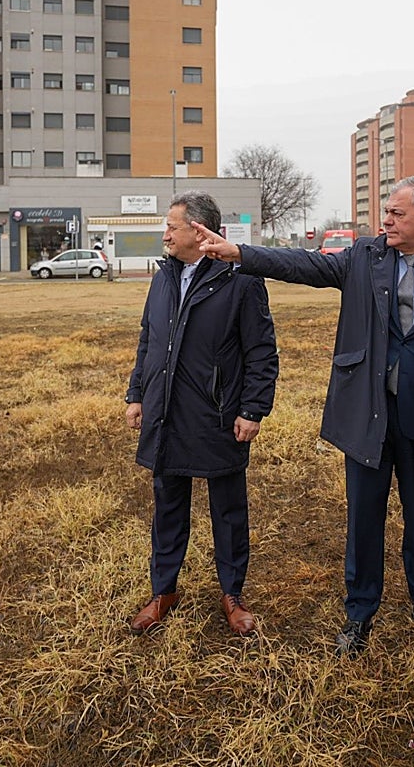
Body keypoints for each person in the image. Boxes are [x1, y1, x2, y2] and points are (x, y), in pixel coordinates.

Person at [193, 177, 414, 655]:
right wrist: (240, 254)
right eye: (385, 212)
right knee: (364, 517)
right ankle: (360, 610)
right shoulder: (366, 257)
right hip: (366, 413)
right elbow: (305, 264)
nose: (385, 220)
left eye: (396, 213)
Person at [125, 191, 279, 637]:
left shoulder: (241, 280)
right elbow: (148, 340)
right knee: (167, 507)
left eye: (171, 226)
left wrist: (253, 409)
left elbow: (262, 354)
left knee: (228, 510)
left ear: (198, 230)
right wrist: (137, 393)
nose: (165, 234)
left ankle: (232, 594)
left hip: (217, 416)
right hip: (165, 414)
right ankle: (163, 591)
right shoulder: (164, 278)